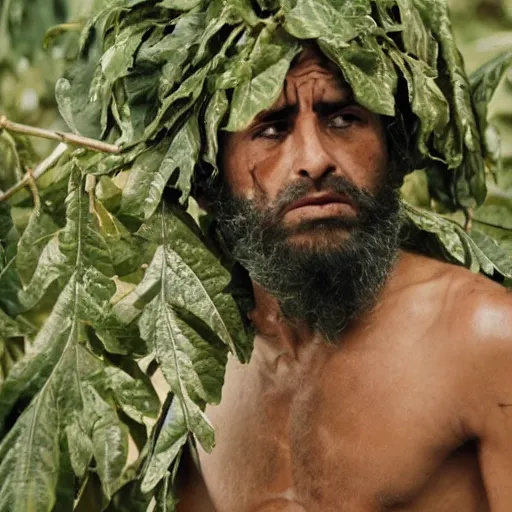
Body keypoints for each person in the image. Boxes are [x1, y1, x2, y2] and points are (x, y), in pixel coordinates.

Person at [175, 44, 512, 511]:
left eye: (344, 119)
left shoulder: (486, 339)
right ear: (207, 181)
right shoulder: (195, 374)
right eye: (272, 129)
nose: (315, 160)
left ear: (391, 150)